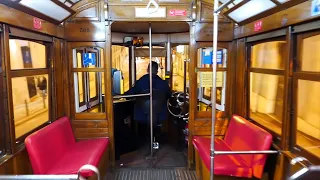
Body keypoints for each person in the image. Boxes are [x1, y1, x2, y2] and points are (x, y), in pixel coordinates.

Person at [123, 61, 171, 143]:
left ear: (147, 70)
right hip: (159, 114)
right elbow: (169, 95)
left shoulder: (140, 82)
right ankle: (156, 136)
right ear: (157, 71)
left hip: (142, 115)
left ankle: (143, 138)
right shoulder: (163, 84)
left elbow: (129, 95)